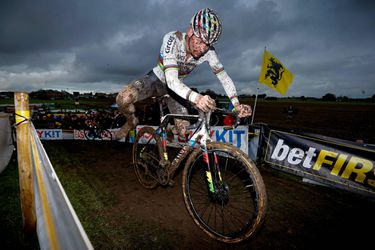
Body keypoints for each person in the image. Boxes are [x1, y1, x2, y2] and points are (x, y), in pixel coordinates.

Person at [115, 8, 252, 140]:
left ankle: (169, 129)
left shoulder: (209, 53)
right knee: (123, 98)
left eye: (207, 45)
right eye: (199, 42)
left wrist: (236, 104)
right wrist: (197, 98)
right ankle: (131, 122)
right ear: (190, 31)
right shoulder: (173, 39)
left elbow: (224, 77)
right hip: (157, 80)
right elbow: (171, 80)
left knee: (183, 131)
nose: (202, 49)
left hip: (176, 90)